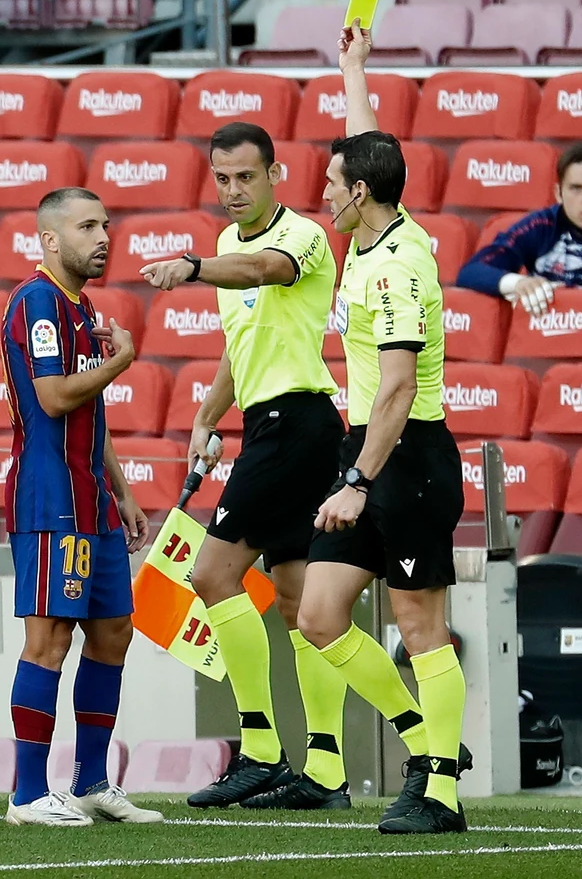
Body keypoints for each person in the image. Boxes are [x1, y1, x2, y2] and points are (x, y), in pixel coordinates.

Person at [139, 123, 354, 811]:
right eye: (222, 177)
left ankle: (260, 750)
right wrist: (207, 413)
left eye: (246, 177)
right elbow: (242, 344)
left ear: (275, 174)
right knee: (296, 601)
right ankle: (325, 771)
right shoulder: (229, 245)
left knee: (211, 573)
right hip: (274, 422)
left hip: (297, 423)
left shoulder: (302, 236)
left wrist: (192, 266)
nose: (233, 190)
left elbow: (267, 272)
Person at [296, 22, 470, 836]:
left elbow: (399, 387)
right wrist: (352, 66)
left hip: (406, 457)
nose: (324, 192)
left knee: (418, 624)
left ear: (360, 193)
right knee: (320, 616)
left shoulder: (397, 264)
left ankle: (441, 789)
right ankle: (426, 744)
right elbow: (365, 146)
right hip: (363, 450)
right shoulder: (375, 233)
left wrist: (359, 483)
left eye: (332, 183)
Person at [0, 186, 162, 828]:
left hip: (92, 499)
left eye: (106, 225)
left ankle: (91, 780)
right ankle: (28, 795)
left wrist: (121, 491)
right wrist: (122, 360)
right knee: (48, 640)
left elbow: (89, 412)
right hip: (50, 499)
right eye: (87, 226)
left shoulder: (82, 307)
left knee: (112, 633)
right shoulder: (37, 300)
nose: (102, 237)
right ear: (49, 239)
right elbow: (55, 397)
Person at [457, 140, 582, 310]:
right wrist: (518, 283)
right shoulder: (541, 225)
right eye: (576, 188)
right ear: (558, 193)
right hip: (547, 329)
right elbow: (471, 272)